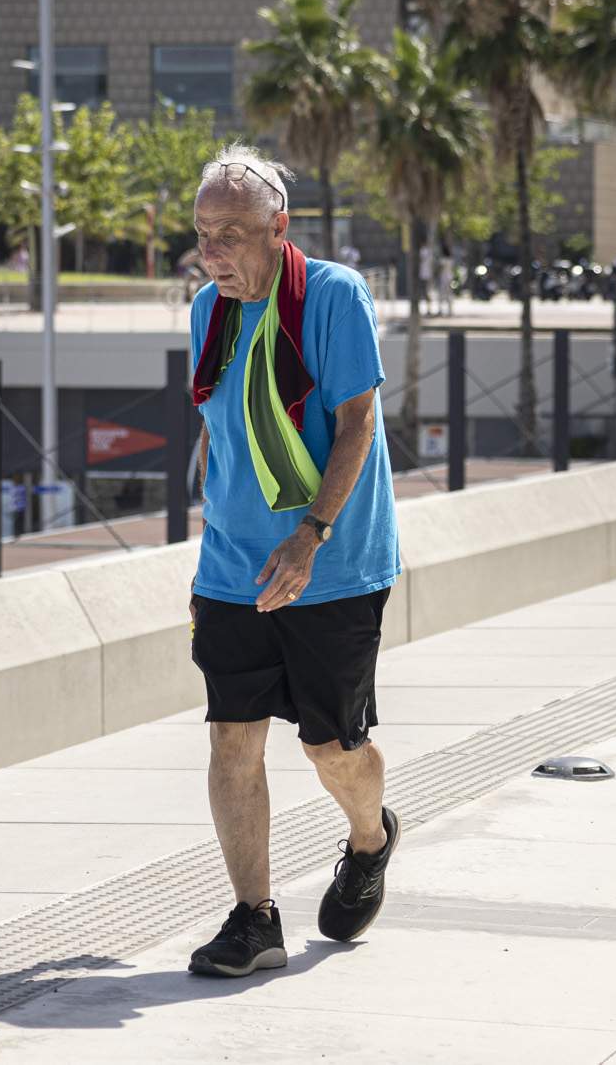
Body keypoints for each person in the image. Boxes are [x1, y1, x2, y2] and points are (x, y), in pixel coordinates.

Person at [182, 144, 401, 978]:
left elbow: (357, 425)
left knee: (330, 747)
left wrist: (308, 535)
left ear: (279, 228)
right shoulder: (208, 309)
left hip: (334, 562)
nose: (217, 251)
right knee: (231, 740)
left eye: (234, 232)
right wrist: (211, 554)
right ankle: (254, 917)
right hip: (234, 567)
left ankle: (370, 836)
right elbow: (222, 432)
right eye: (205, 233)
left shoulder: (335, 297)